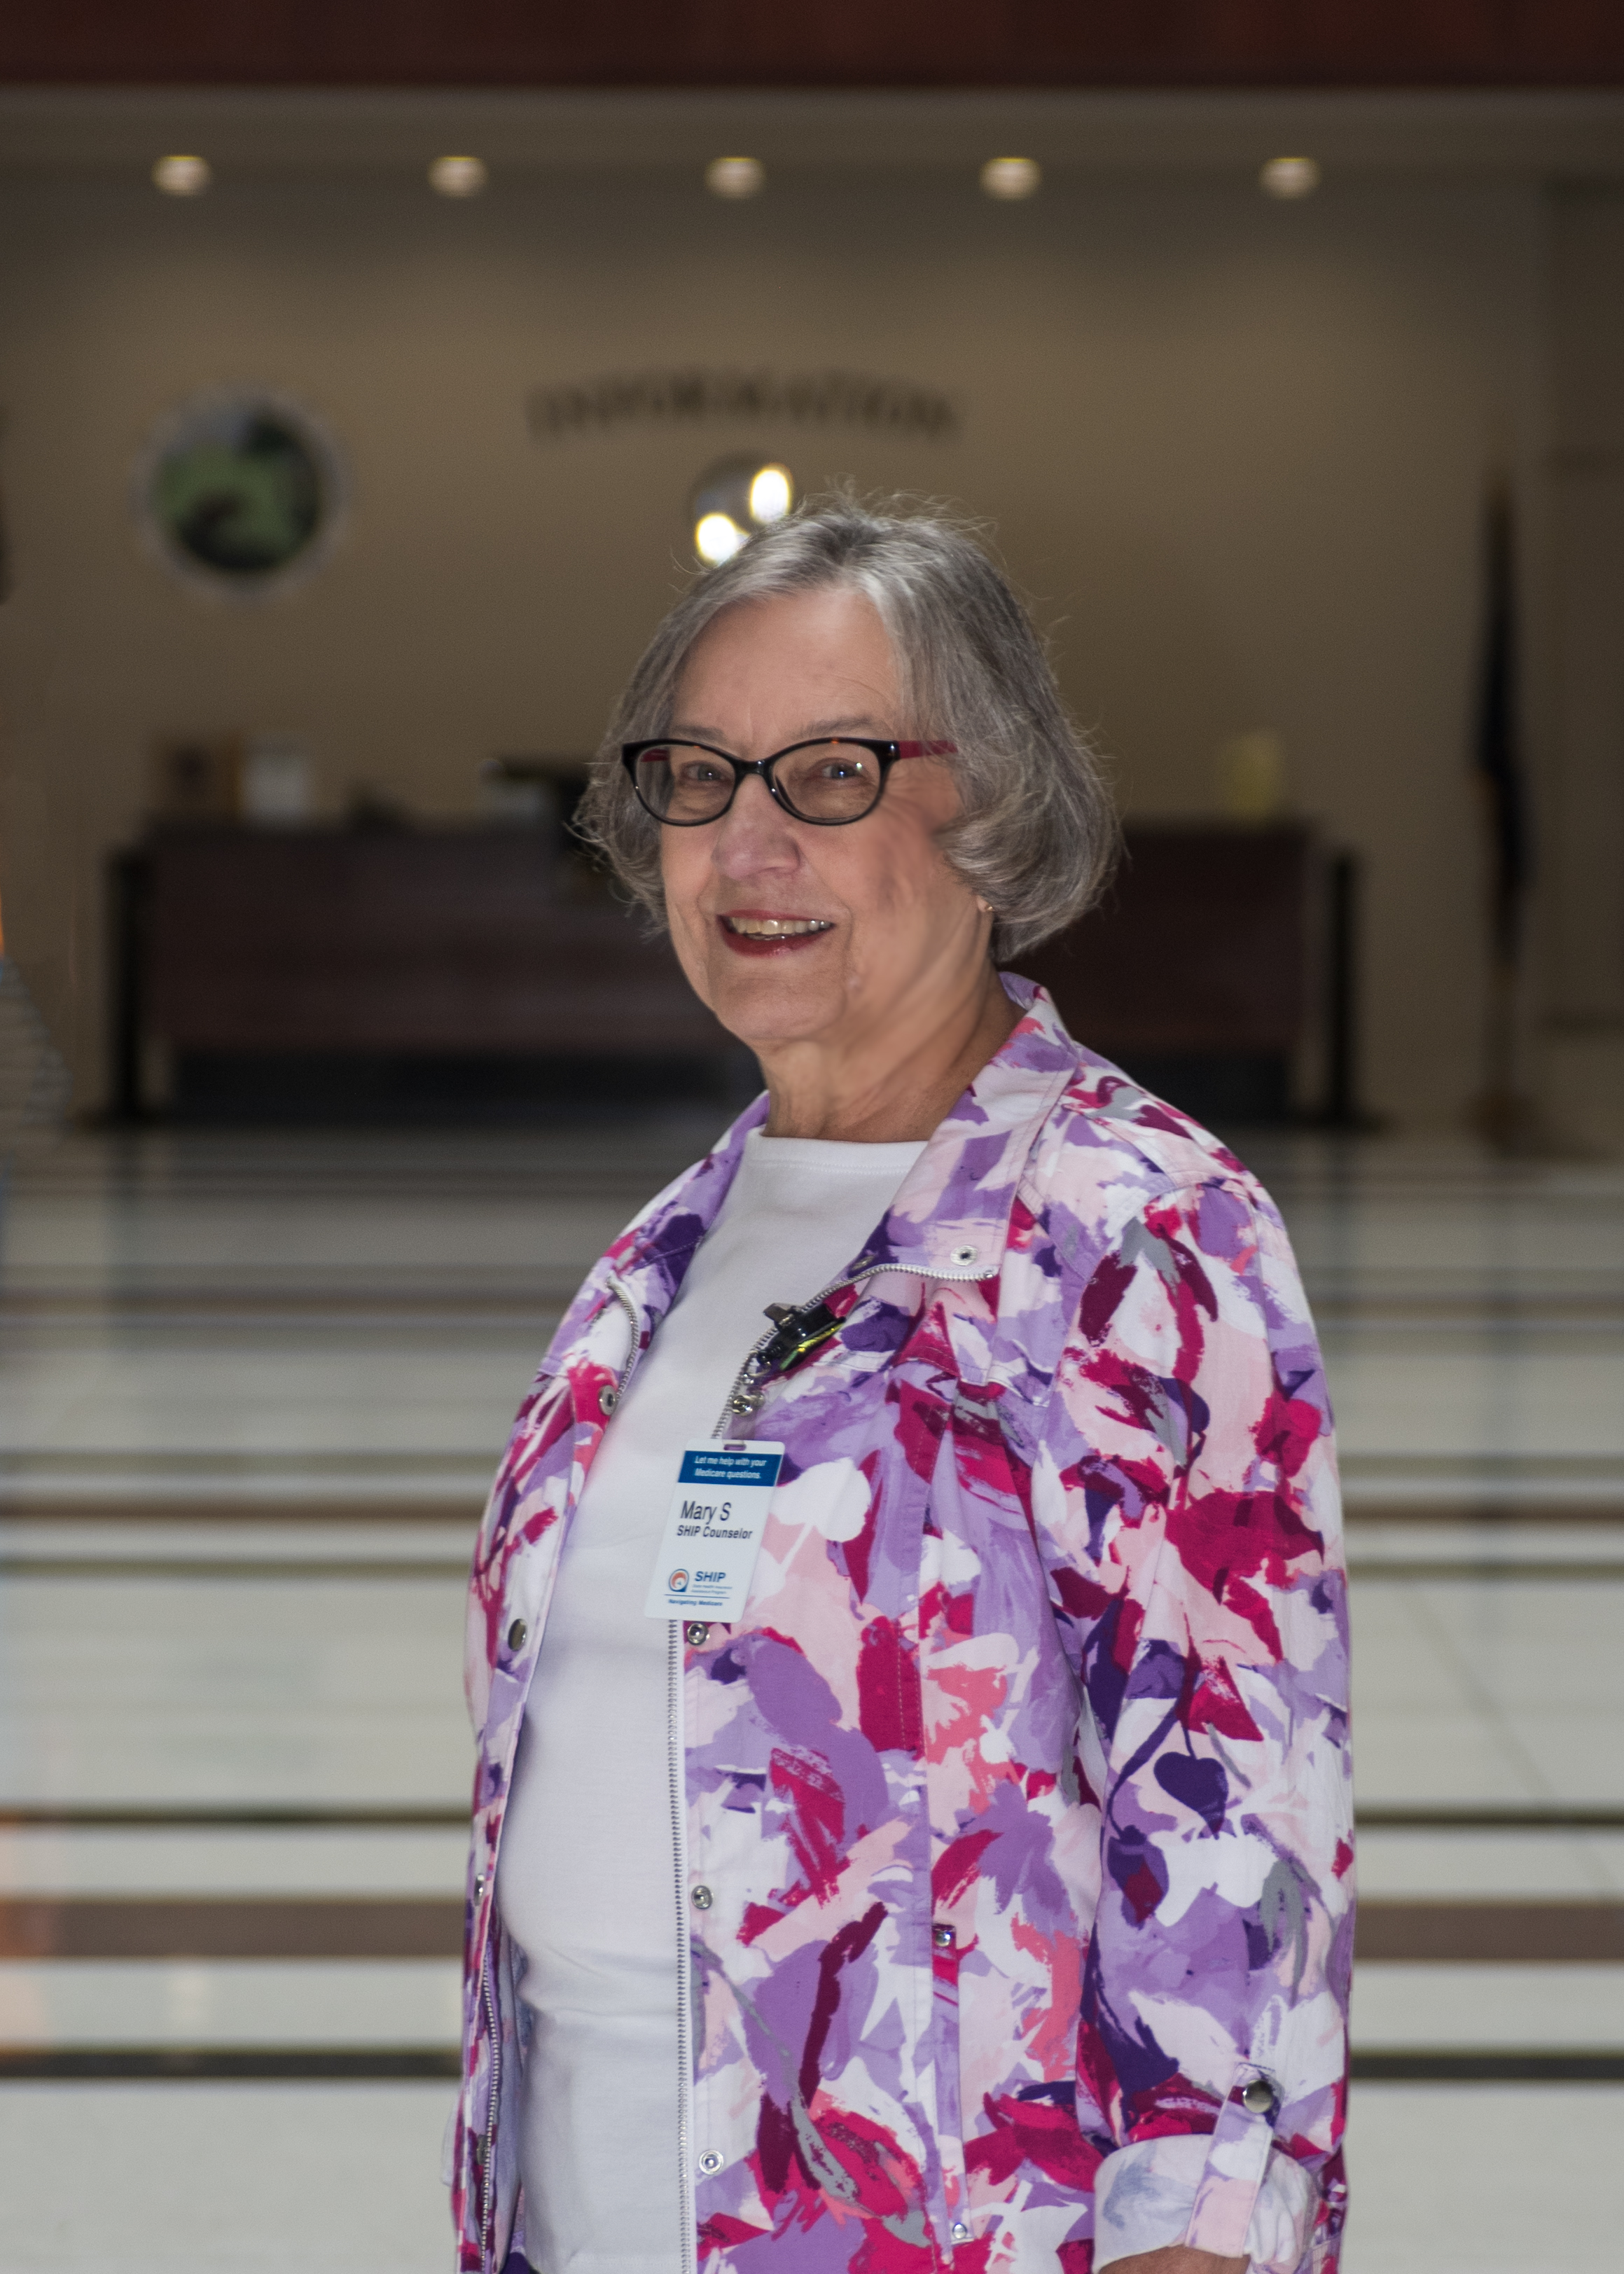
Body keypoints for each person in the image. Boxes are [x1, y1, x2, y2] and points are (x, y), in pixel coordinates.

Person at [450, 499, 1352, 2274]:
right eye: (698, 777)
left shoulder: (1132, 1232)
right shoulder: (656, 1263)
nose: (746, 842)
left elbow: (1239, 1860)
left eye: (830, 772)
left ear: (990, 800)